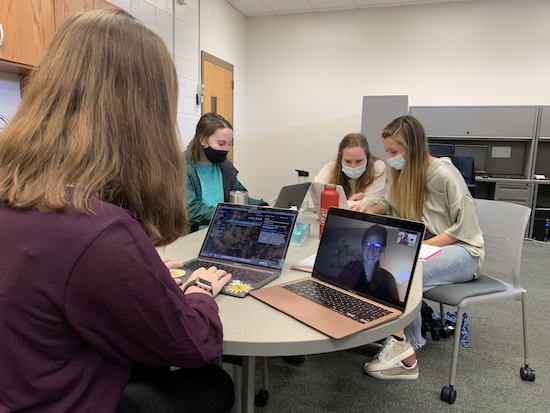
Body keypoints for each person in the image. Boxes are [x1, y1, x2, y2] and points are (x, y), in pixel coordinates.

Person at [0, 9, 234, 413]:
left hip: (19, 382)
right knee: (212, 384)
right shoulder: (97, 229)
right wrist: (198, 290)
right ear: (147, 114)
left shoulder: (21, 193)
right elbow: (195, 344)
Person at [352, 115, 484, 380]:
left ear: (412, 147)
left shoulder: (444, 174)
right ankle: (402, 343)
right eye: (387, 150)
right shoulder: (403, 172)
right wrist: (368, 210)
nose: (389, 157)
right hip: (427, 245)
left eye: (394, 151)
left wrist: (420, 246)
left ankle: (405, 355)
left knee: (406, 273)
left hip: (463, 250)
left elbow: (464, 229)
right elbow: (389, 205)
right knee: (387, 264)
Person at [184, 113, 268, 232]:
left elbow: (239, 196)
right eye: (221, 144)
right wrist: (230, 214)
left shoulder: (224, 166)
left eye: (228, 144)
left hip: (223, 231)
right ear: (202, 140)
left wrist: (261, 207)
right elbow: (191, 210)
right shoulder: (181, 168)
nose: (226, 149)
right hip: (194, 236)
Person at [313, 133, 386, 208]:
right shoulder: (331, 167)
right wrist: (347, 203)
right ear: (340, 159)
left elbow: (370, 202)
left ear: (367, 157)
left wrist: (339, 204)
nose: (353, 167)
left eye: (359, 161)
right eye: (348, 161)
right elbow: (313, 198)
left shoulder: (377, 167)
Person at [337, 225, 399, 304]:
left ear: (383, 249)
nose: (370, 251)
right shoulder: (350, 266)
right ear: (362, 246)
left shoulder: (388, 279)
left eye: (377, 246)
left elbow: (395, 309)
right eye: (367, 245)